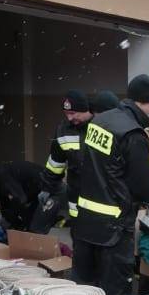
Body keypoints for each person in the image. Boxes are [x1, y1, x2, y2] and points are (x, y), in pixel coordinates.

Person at [71, 74, 149, 295]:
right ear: (147, 102)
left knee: (84, 290)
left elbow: (94, 166)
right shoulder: (133, 134)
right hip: (114, 229)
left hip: (84, 224)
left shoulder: (99, 122)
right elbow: (145, 189)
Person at [39, 90, 94, 223]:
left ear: (85, 110)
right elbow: (55, 164)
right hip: (76, 198)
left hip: (102, 199)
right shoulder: (63, 130)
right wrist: (47, 188)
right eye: (66, 114)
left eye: (72, 113)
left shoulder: (101, 126)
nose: (69, 118)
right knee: (79, 239)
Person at [0, 161, 61, 234]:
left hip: (51, 190)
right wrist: (13, 222)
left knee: (35, 229)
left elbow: (19, 199)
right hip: (37, 192)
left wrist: (20, 224)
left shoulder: (0, 175)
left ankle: (38, 255)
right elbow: (5, 206)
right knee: (11, 223)